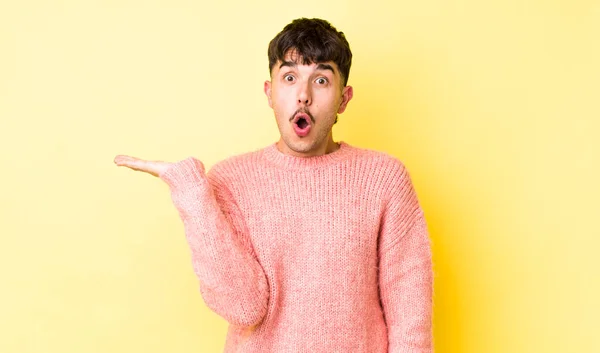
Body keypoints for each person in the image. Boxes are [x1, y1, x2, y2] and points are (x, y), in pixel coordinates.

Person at [114, 17, 434, 353]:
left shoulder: (383, 179)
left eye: (321, 80)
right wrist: (193, 195)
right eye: (290, 77)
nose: (303, 96)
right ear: (270, 92)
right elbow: (243, 307)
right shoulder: (230, 181)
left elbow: (410, 314)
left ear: (343, 98)